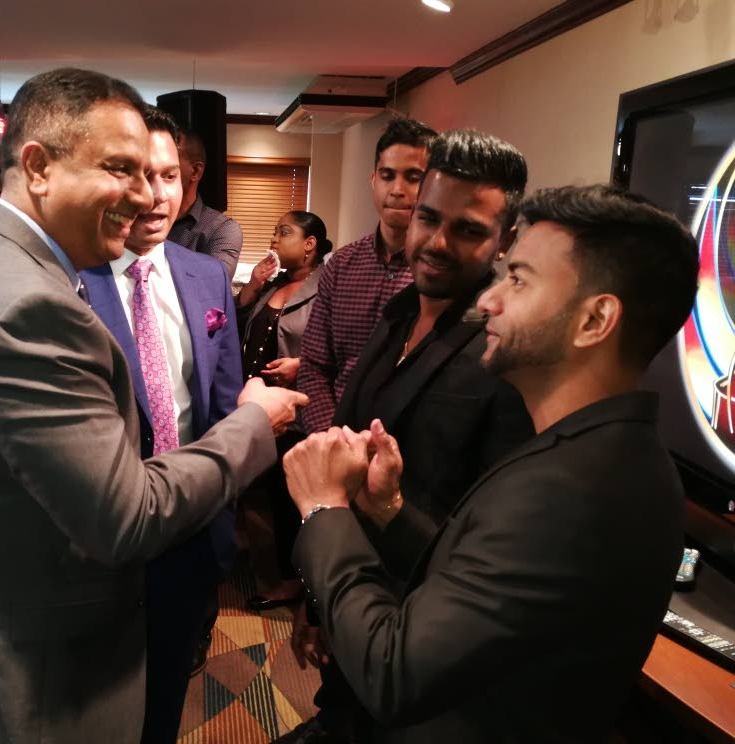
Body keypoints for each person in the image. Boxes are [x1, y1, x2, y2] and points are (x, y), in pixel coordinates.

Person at [0, 68, 306, 744]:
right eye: (120, 169)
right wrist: (253, 424)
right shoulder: (27, 306)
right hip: (26, 668)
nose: (144, 196)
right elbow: (125, 517)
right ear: (38, 167)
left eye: (154, 174)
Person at [283, 184, 698, 743]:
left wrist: (324, 509)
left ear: (595, 320)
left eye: (519, 280)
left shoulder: (578, 490)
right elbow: (470, 588)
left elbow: (394, 672)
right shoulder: (581, 450)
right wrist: (389, 509)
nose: (488, 301)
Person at [279, 130, 535, 743]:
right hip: (348, 597)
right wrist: (320, 601)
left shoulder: (508, 353)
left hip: (418, 648)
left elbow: (486, 549)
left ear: (504, 240)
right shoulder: (394, 317)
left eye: (468, 230)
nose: (437, 243)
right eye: (428, 218)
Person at [79, 106, 241, 744]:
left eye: (170, 176)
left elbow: (223, 410)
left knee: (166, 702)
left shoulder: (206, 277)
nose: (156, 195)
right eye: (139, 175)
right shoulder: (65, 278)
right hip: (95, 540)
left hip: (188, 534)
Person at [297, 117, 437, 435]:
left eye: (413, 177)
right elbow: (315, 366)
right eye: (388, 176)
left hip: (409, 449)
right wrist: (332, 438)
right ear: (374, 179)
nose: (398, 190)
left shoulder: (439, 271)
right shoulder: (341, 265)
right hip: (334, 439)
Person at [236, 210, 332, 610]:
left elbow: (340, 345)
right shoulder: (274, 283)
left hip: (297, 412)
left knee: (289, 497)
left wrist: (302, 366)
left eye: (284, 232)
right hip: (257, 407)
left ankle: (295, 582)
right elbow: (236, 321)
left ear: (310, 244)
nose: (274, 239)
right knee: (261, 493)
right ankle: (271, 567)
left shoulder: (328, 284)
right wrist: (254, 286)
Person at [167, 128, 243, 279]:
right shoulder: (137, 217)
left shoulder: (221, 228)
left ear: (195, 171)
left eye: (168, 167)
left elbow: (213, 283)